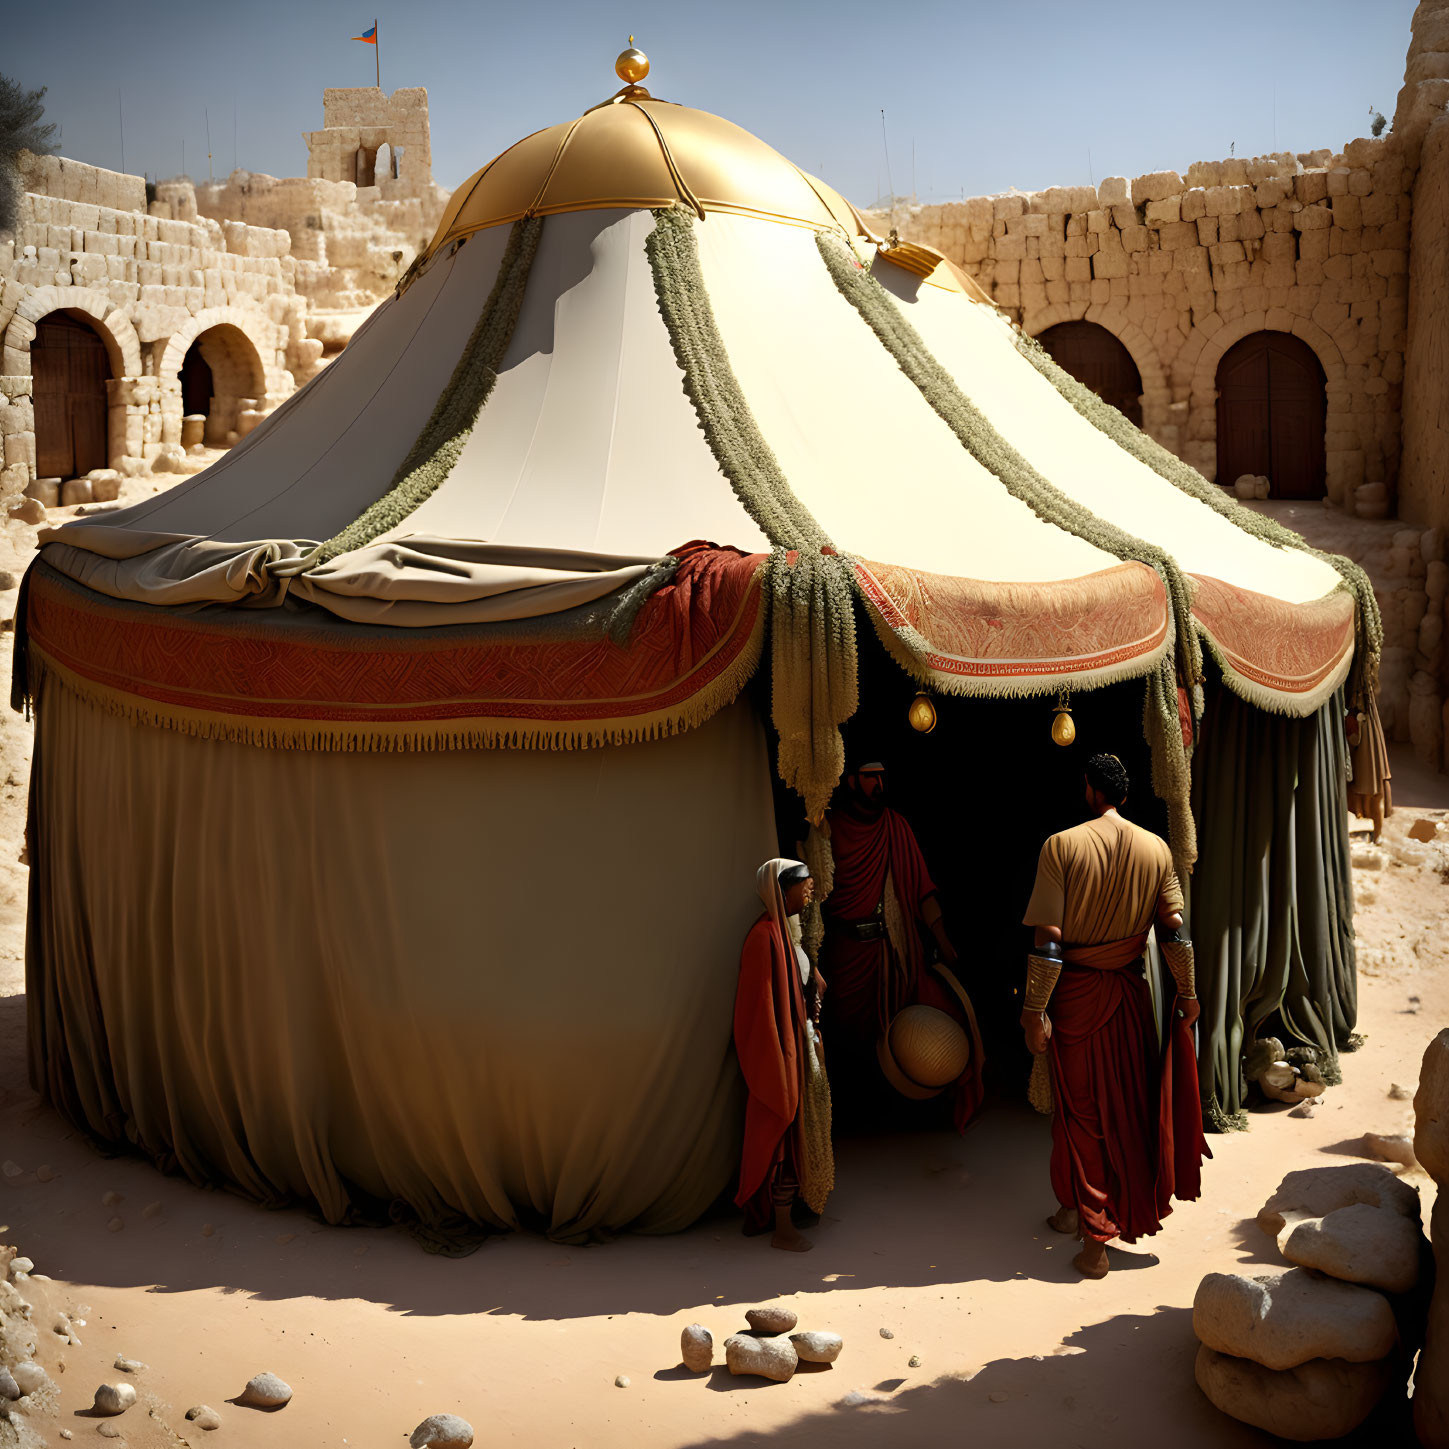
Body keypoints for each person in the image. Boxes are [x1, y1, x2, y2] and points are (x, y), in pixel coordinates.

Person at [1021, 752, 1209, 1278]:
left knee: (1082, 1116)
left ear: (1088, 789)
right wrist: (1189, 992)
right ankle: (1071, 1208)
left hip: (1077, 997)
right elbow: (1173, 927)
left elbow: (1050, 940)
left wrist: (1034, 1009)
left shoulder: (1061, 845)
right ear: (1123, 795)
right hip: (1130, 996)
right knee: (1126, 1106)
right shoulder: (1157, 848)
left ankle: (1097, 1242)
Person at [806, 763, 984, 1129]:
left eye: (883, 776)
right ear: (853, 779)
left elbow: (922, 890)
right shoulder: (827, 829)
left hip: (892, 950)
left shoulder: (895, 826)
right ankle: (854, 1113)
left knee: (903, 1025)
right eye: (871, 776)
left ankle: (896, 1109)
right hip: (844, 950)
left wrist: (943, 940)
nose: (879, 784)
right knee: (843, 1032)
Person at [734, 859, 834, 1252]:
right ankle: (782, 1228)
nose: (810, 892)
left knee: (797, 1134)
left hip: (798, 1045)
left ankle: (793, 1214)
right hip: (781, 1054)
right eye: (804, 886)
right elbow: (757, 1010)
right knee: (781, 1132)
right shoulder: (762, 937)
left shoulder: (784, 933)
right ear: (781, 889)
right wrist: (778, 1060)